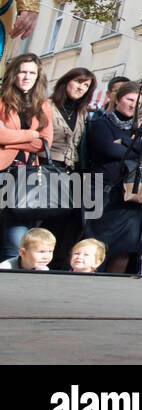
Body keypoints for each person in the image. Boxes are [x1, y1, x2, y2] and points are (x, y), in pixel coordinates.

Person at [83, 85, 142, 274]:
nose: (133, 106)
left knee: (124, 247)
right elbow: (109, 150)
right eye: (129, 100)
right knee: (96, 243)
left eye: (138, 102)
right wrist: (135, 144)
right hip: (101, 188)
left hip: (130, 194)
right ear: (117, 100)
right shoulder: (101, 124)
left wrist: (125, 142)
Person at [0, 52, 54, 259]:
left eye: (32, 73)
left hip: (26, 175)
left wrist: (10, 138)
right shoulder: (2, 101)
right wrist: (30, 135)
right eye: (22, 72)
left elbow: (44, 142)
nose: (26, 77)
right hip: (2, 169)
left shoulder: (43, 105)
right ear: (13, 74)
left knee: (16, 235)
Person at [49, 68, 96, 174]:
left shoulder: (82, 113)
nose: (81, 88)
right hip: (45, 167)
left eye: (86, 85)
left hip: (72, 171)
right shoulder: (46, 106)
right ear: (66, 81)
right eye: (78, 82)